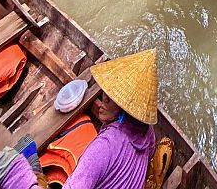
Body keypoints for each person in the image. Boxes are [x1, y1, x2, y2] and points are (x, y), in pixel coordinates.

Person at [63, 49, 158, 189]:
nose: (104, 99)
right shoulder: (147, 131)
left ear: (127, 108)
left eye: (114, 98)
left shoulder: (103, 147)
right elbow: (150, 153)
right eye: (106, 92)